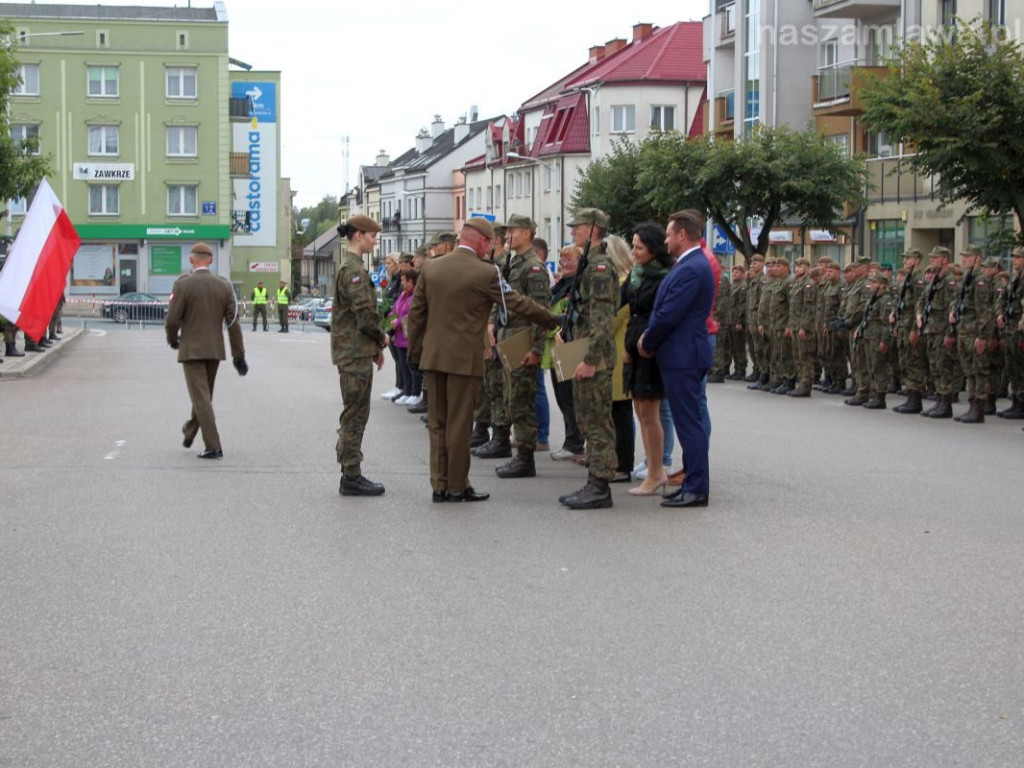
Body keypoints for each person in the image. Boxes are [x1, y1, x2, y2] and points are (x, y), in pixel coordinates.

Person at [406, 217, 559, 503]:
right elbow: (517, 303)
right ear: (484, 242)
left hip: (434, 357)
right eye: (490, 243)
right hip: (464, 361)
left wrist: (416, 354)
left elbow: (416, 316)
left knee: (439, 424)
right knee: (460, 425)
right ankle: (456, 486)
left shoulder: (431, 267)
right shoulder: (486, 272)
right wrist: (551, 319)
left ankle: (439, 485)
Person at [638, 209, 714, 508]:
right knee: (687, 422)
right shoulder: (688, 265)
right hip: (680, 354)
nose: (666, 239)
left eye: (669, 234)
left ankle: (696, 487)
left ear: (682, 235)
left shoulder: (693, 267)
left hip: (684, 355)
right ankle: (693, 483)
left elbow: (670, 313)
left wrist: (648, 339)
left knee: (689, 423)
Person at [557, 208, 619, 510]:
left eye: (577, 228)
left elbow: (603, 320)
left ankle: (600, 486)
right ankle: (594, 481)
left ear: (593, 230)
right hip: (583, 351)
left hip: (595, 358)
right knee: (588, 419)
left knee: (597, 422)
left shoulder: (600, 267)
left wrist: (591, 359)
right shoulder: (588, 264)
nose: (572, 232)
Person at [164, 243, 247, 459]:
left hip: (191, 350)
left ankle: (213, 445)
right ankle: (190, 430)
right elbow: (233, 323)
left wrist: (173, 340)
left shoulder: (183, 285)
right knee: (204, 397)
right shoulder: (224, 286)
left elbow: (172, 319)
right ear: (211, 260)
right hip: (214, 351)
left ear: (191, 260)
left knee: (201, 399)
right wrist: (239, 355)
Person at [489, 215, 552, 480]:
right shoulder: (511, 264)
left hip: (523, 339)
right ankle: (518, 452)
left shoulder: (533, 268)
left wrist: (536, 349)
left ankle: (525, 457)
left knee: (521, 401)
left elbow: (541, 312)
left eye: (512, 231)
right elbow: (500, 297)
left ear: (527, 233)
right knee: (509, 398)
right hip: (508, 335)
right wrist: (493, 323)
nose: (508, 236)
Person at [333, 215, 391, 496]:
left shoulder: (353, 267)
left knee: (356, 412)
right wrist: (381, 338)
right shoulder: (353, 271)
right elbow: (365, 315)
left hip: (356, 352)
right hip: (353, 354)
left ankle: (350, 471)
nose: (374, 239)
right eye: (371, 235)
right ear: (357, 235)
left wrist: (375, 349)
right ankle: (351, 474)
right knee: (355, 414)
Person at [622, 222, 673, 496]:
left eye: (639, 247)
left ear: (653, 249)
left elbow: (661, 316)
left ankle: (656, 471)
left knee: (650, 414)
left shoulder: (664, 276)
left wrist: (642, 342)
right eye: (633, 246)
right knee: (640, 412)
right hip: (633, 347)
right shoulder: (636, 274)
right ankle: (654, 469)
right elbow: (622, 303)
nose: (634, 251)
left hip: (650, 350)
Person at [546, 246, 586, 462]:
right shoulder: (561, 284)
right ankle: (572, 441)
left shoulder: (578, 284)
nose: (564, 263)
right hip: (556, 346)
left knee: (570, 398)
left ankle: (575, 443)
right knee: (562, 397)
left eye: (570, 259)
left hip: (570, 345)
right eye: (562, 259)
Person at [605, 234, 636, 484]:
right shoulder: (623, 280)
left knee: (620, 411)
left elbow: (612, 319)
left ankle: (623, 465)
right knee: (617, 411)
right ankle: (617, 461)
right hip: (614, 351)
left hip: (617, 352)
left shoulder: (623, 281)